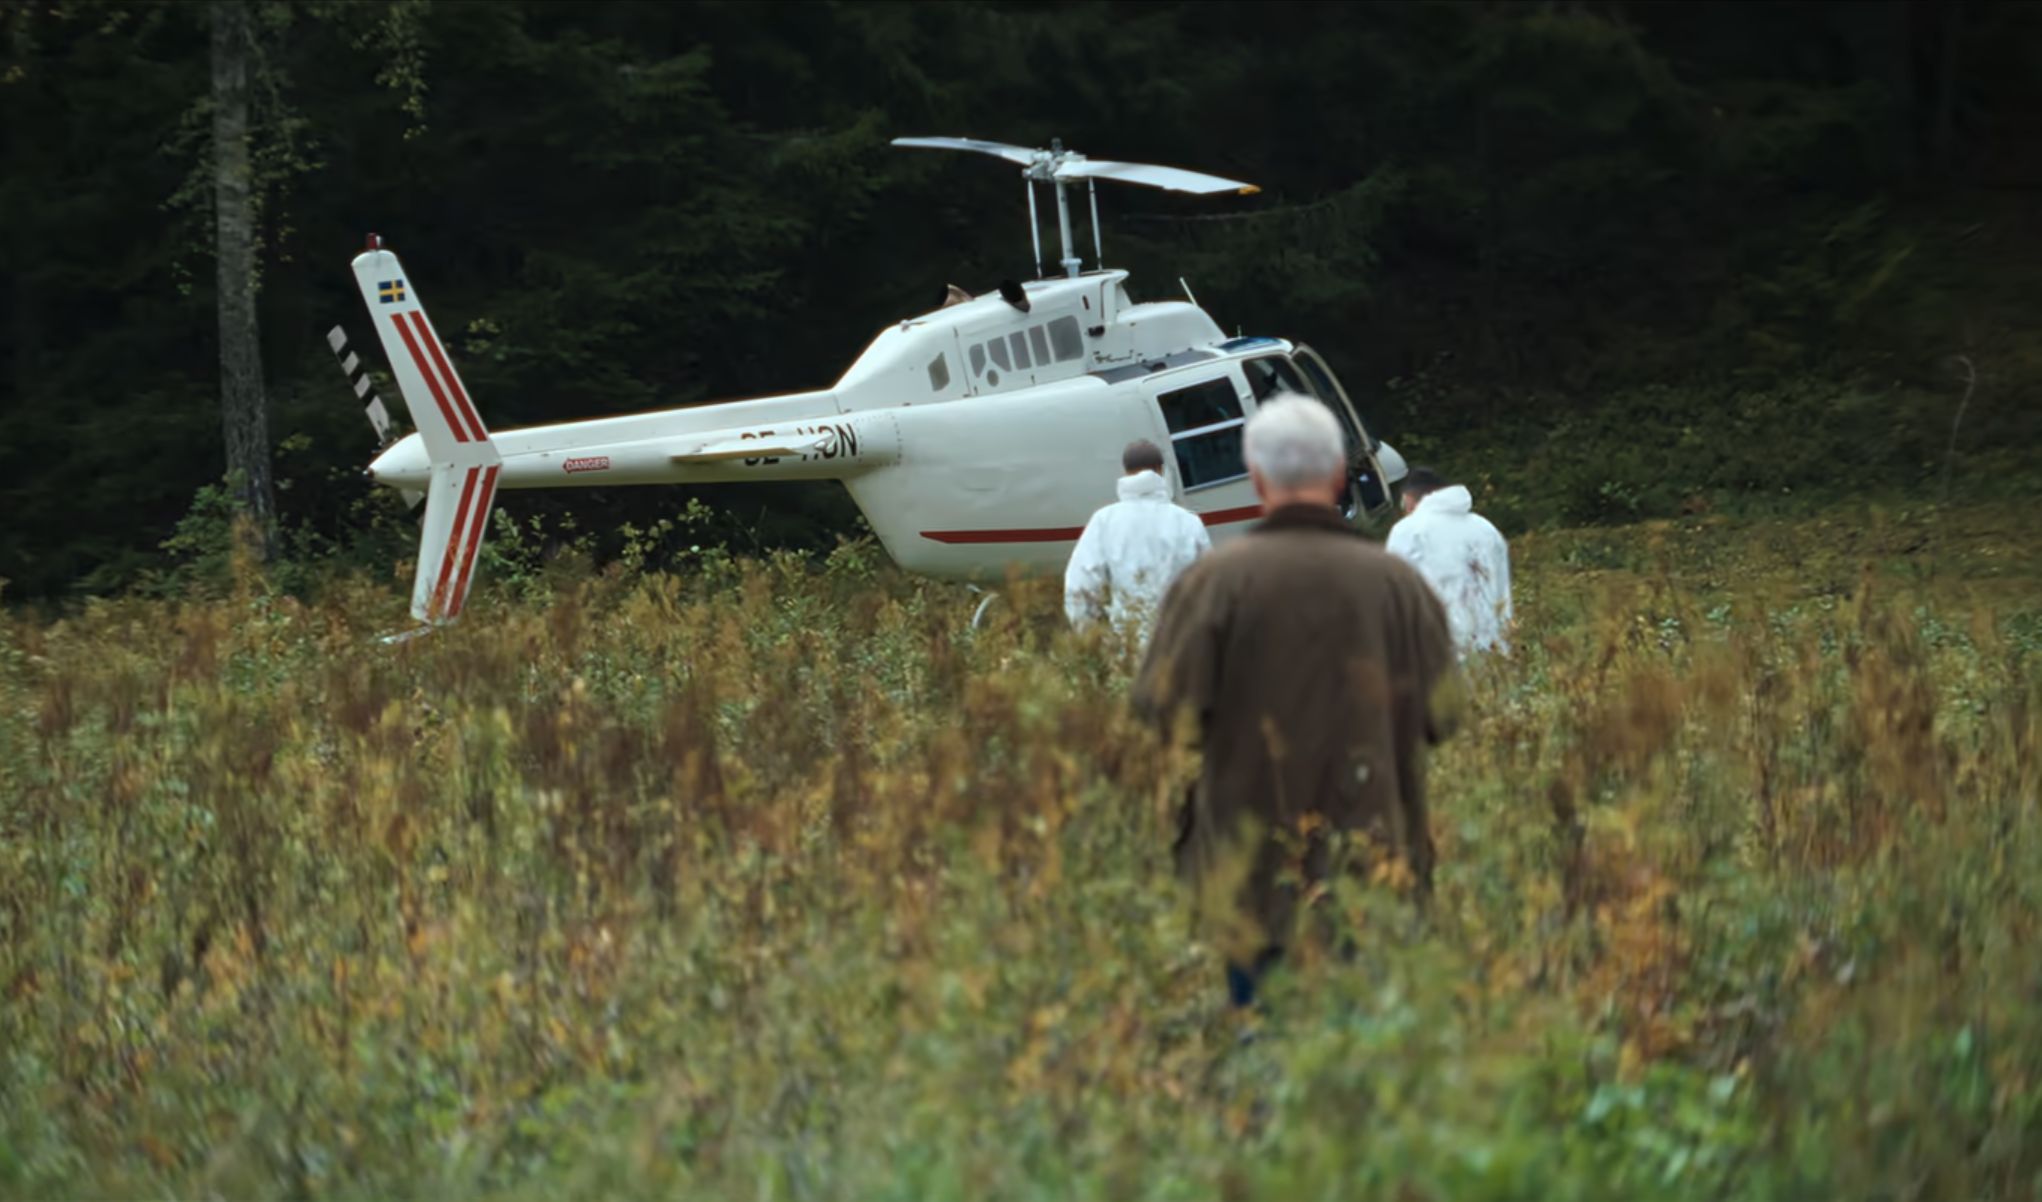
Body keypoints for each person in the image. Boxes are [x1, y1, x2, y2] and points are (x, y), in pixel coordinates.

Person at [1134, 395, 1459, 1007]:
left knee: (1265, 1045)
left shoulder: (1210, 585)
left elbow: (1162, 712)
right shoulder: (1399, 586)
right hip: (1374, 864)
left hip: (1251, 870)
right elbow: (1443, 716)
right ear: (1339, 475)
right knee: (1371, 1055)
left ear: (1256, 478)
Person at [1063, 439, 1211, 642]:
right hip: (1184, 645)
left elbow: (1079, 586)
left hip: (1129, 647)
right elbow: (1210, 587)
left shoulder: (1104, 521)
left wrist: (1092, 638)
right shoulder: (1188, 522)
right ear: (1161, 470)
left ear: (1125, 472)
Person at [1385, 467, 1513, 659]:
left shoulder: (1408, 531)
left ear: (1409, 500)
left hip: (1434, 655)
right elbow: (1502, 591)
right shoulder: (1486, 529)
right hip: (1492, 653)